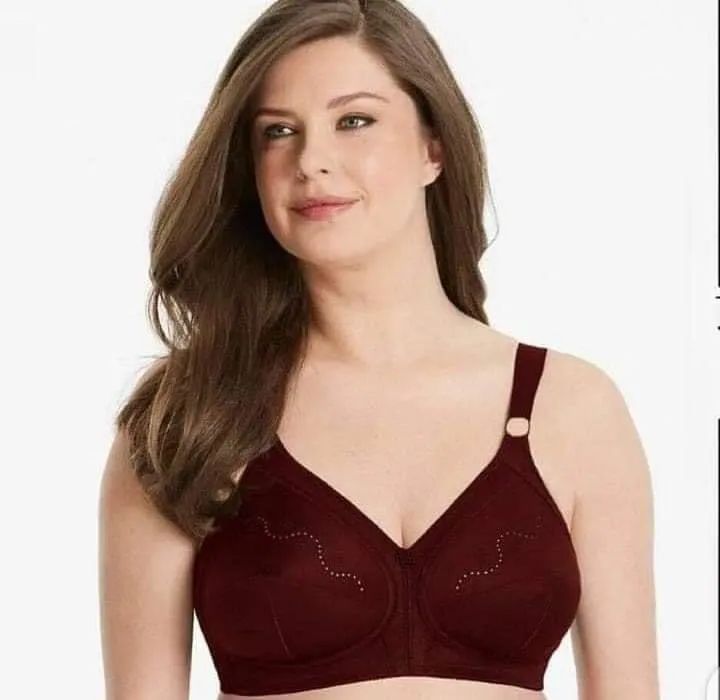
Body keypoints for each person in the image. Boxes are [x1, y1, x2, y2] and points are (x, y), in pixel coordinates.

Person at [98, 1, 660, 699]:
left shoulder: (571, 408)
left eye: (354, 120)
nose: (311, 161)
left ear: (433, 148)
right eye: (278, 132)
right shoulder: (188, 420)